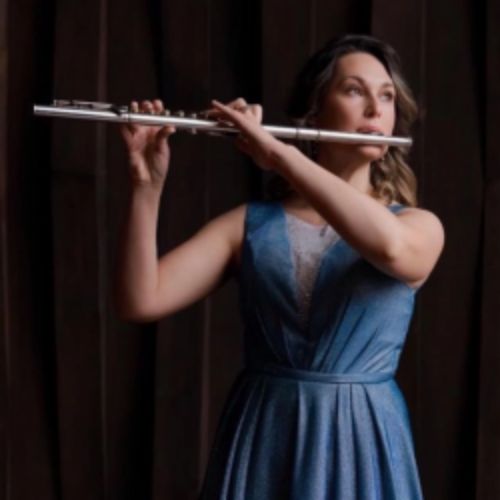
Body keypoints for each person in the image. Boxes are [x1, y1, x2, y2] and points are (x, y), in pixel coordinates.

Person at [116, 34, 444, 500]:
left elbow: (390, 249)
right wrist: (145, 187)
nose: (376, 109)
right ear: (314, 112)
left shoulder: (418, 226)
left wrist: (278, 156)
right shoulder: (248, 225)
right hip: (265, 434)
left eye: (387, 96)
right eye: (354, 90)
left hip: (362, 440)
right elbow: (140, 299)